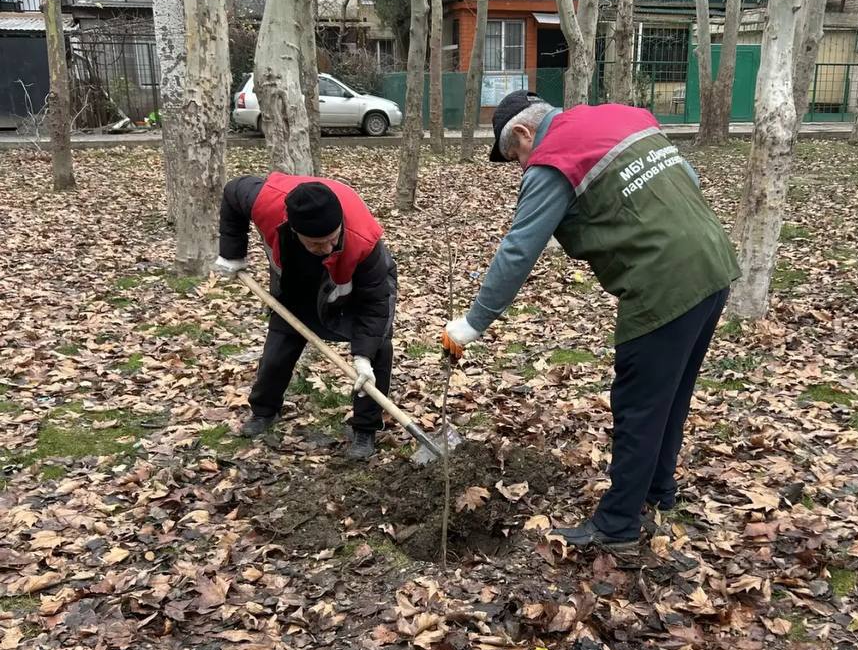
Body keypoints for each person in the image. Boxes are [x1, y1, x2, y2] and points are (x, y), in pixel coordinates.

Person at [440, 91, 741, 546]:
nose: (522, 167)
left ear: (524, 133)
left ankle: (617, 524)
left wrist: (473, 323)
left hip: (662, 283)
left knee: (638, 406)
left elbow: (518, 250)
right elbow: (686, 180)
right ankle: (659, 491)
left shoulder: (552, 158)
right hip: (713, 262)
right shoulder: (622, 118)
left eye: (516, 156)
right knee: (671, 392)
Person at [214, 172, 396, 461]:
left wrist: (362, 356)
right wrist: (232, 254)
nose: (326, 249)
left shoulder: (364, 241)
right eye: (316, 244)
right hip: (295, 281)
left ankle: (365, 429)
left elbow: (375, 306)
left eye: (332, 240)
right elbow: (232, 191)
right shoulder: (266, 202)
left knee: (378, 349)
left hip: (352, 286)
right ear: (294, 229)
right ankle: (264, 411)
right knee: (278, 349)